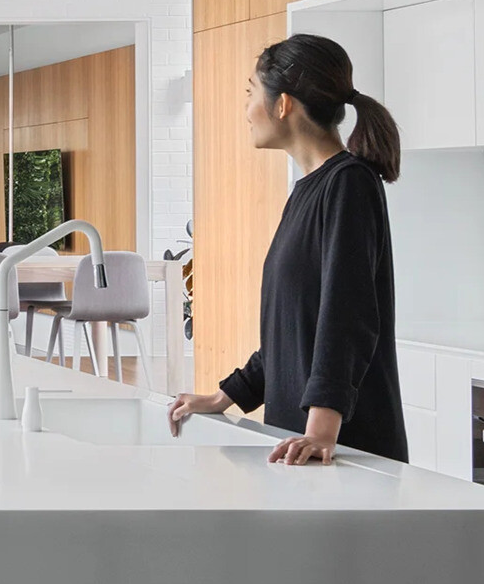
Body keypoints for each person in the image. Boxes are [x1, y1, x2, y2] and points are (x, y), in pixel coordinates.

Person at [169, 34, 407, 465]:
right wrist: (225, 396)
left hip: (340, 446)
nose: (246, 111)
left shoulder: (349, 184)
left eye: (250, 93)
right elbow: (291, 330)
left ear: (283, 105)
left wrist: (320, 429)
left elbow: (347, 316)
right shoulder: (306, 192)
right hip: (300, 441)